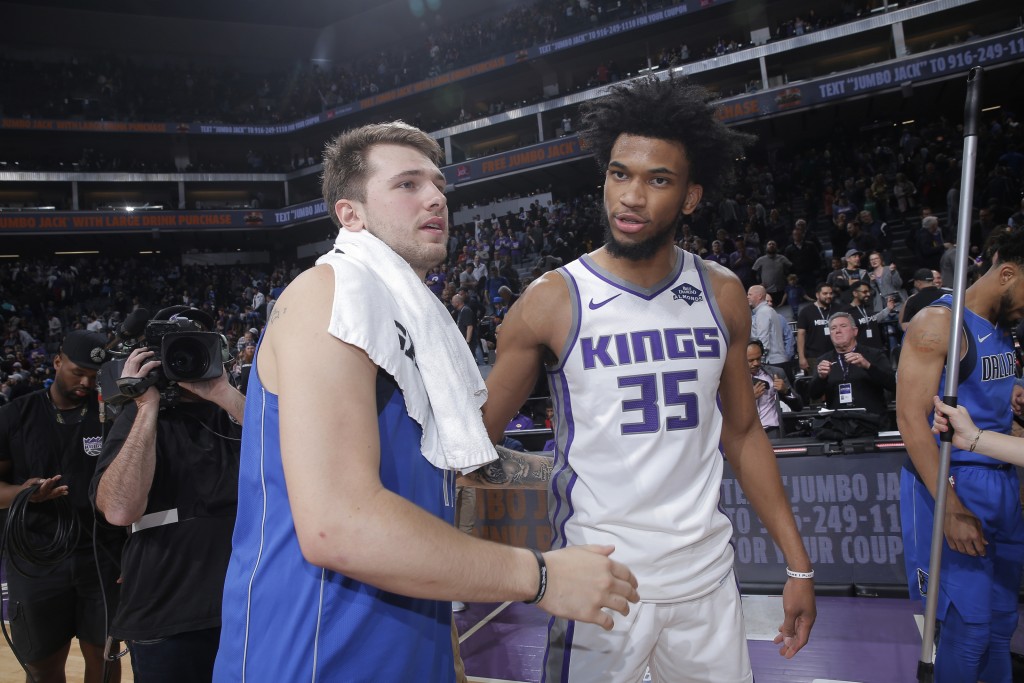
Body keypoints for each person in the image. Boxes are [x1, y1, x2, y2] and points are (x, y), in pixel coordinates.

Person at [213, 122, 638, 682]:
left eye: (438, 184)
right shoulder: (330, 293)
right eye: (407, 184)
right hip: (314, 651)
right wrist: (539, 576)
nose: (436, 197)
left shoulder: (411, 315)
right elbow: (338, 524)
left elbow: (451, 467)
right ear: (351, 215)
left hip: (408, 641)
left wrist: (567, 468)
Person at [479, 78, 814, 682]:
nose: (631, 197)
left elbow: (742, 434)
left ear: (690, 197)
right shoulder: (552, 299)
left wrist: (798, 565)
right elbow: (474, 443)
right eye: (619, 174)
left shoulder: (721, 293)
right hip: (599, 582)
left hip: (705, 581)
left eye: (658, 180)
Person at [90, 306, 245, 683]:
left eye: (197, 348)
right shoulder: (139, 418)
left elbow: (296, 457)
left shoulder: (239, 413)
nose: (184, 361)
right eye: (174, 352)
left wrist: (224, 393)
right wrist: (145, 406)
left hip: (247, 609)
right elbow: (120, 510)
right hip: (167, 613)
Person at [896, 233, 1024, 683]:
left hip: (1001, 478)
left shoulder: (1004, 329)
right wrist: (949, 507)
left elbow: (988, 400)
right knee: (969, 628)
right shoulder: (938, 322)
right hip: (953, 478)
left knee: (1003, 621)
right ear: (1006, 274)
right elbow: (911, 419)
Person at [0, 331, 123, 683]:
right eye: (77, 372)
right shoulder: (14, 415)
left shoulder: (111, 417)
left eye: (93, 376)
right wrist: (24, 494)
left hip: (101, 556)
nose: (85, 383)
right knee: (42, 667)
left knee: (104, 660)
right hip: (36, 558)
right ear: (57, 362)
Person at [808, 312, 895, 419]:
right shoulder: (823, 361)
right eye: (833, 328)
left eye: (843, 326)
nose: (838, 331)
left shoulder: (874, 355)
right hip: (838, 423)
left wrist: (868, 366)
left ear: (855, 331)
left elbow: (893, 385)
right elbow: (814, 395)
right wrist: (821, 378)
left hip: (871, 420)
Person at [747, 339, 801, 438]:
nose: (756, 363)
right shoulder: (732, 380)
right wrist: (750, 398)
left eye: (758, 358)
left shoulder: (776, 373)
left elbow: (798, 406)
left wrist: (786, 391)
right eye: (750, 360)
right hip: (747, 433)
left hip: (772, 430)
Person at [796, 282, 844, 374]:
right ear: (817, 295)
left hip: (837, 354)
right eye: (825, 293)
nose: (829, 296)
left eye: (830, 293)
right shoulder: (806, 312)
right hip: (814, 357)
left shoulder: (839, 309)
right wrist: (801, 358)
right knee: (817, 381)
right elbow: (801, 335)